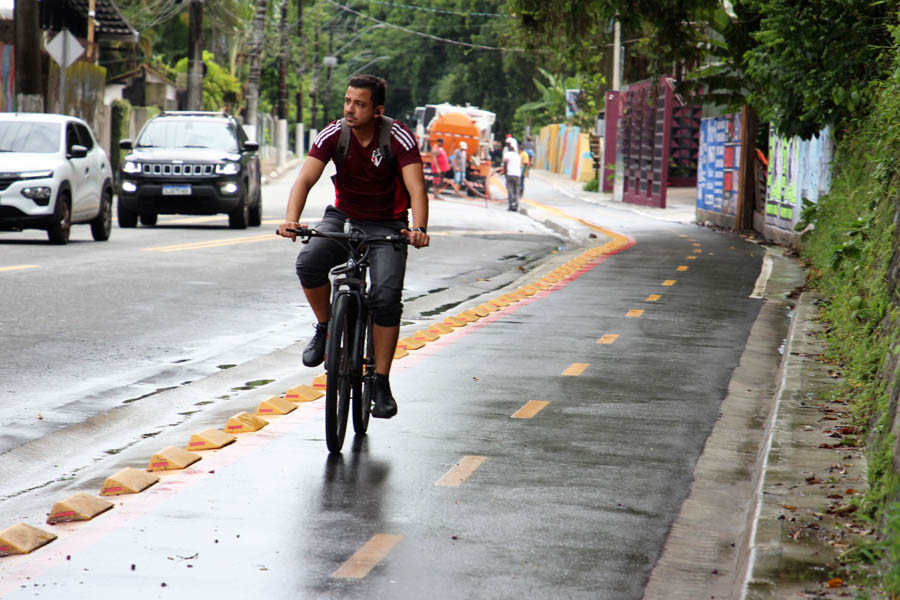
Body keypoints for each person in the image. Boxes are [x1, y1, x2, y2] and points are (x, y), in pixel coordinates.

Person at [278, 74, 430, 419]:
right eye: (348, 101)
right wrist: (291, 219)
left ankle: (381, 382)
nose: (350, 109)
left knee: (386, 298)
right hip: (343, 217)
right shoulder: (335, 134)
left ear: (377, 110)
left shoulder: (398, 136)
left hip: (388, 225)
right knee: (309, 263)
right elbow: (304, 179)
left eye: (359, 104)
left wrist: (419, 228)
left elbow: (417, 189)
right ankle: (325, 326)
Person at [502, 137, 522, 211]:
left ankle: (511, 205)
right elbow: (520, 166)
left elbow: (505, 162)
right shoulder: (518, 156)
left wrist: (504, 170)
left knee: (510, 190)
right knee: (516, 191)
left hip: (510, 174)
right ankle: (516, 206)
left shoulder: (507, 154)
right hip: (518, 175)